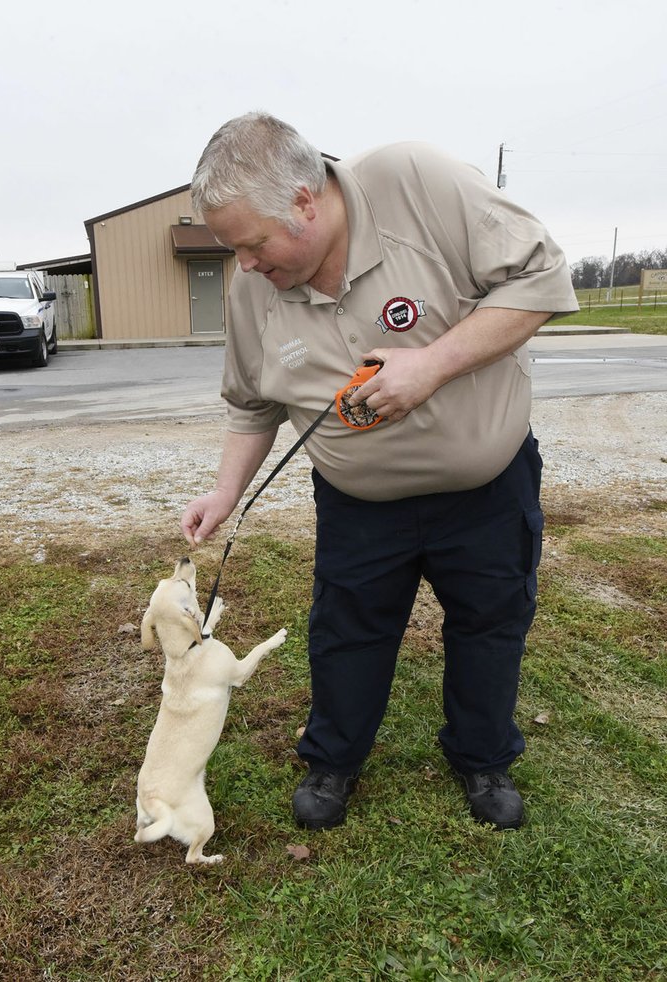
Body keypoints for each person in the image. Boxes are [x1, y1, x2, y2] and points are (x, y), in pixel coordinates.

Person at [181, 112, 579, 831]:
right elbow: (252, 402)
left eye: (252, 244)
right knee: (346, 632)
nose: (244, 265)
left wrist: (432, 366)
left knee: (491, 625)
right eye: (232, 249)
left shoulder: (418, 182)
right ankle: (333, 760)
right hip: (359, 504)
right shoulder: (255, 289)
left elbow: (543, 277)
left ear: (305, 201)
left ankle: (483, 759)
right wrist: (226, 491)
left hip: (485, 489)